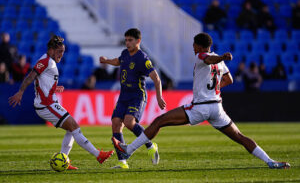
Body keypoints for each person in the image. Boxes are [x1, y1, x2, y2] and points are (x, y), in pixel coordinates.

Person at [112, 32, 290, 169]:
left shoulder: (202, 56)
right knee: (240, 137)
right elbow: (229, 80)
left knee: (159, 121)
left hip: (201, 108)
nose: (193, 47)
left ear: (199, 46)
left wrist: (219, 58)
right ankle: (270, 161)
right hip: (217, 108)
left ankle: (128, 150)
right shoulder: (218, 62)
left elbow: (207, 58)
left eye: (194, 45)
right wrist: (213, 84)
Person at [8, 35, 114, 170]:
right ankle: (98, 155)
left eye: (63, 52)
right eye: (59, 51)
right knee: (75, 126)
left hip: (49, 103)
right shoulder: (45, 61)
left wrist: (53, 88)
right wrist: (21, 91)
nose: (61, 55)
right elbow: (31, 76)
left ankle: (64, 159)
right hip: (46, 105)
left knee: (71, 129)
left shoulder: (49, 62)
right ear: (51, 50)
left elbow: (41, 81)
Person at [99, 28, 166, 169]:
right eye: (126, 40)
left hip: (137, 96)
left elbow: (156, 79)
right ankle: (122, 162)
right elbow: (118, 61)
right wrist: (106, 61)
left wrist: (159, 97)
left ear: (138, 41)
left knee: (129, 122)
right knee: (116, 124)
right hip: (123, 96)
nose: (127, 43)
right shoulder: (124, 53)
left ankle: (150, 145)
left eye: (130, 40)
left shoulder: (143, 58)